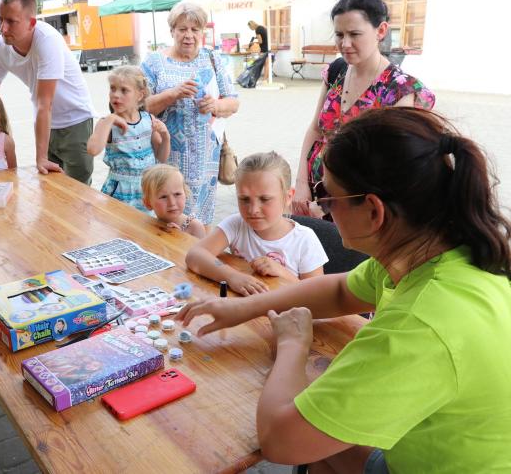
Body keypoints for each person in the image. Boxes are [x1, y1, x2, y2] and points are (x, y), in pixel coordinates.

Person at [177, 107, 511, 473]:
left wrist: (292, 345)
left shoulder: (421, 324)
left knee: (305, 436)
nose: (321, 206)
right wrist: (244, 308)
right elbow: (340, 290)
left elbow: (279, 440)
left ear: (373, 211)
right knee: (321, 444)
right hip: (433, 446)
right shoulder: (430, 252)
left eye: (327, 195)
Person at [292, 0, 435, 216]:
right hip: (313, 197)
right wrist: (301, 183)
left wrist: (333, 206)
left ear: (381, 30)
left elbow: (389, 169)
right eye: (339, 35)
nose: (345, 44)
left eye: (355, 34)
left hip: (358, 211)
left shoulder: (398, 89)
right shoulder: (336, 71)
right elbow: (315, 129)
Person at [0, 0, 96, 184]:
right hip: (45, 124)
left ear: (31, 23)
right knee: (51, 187)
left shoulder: (47, 40)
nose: (3, 28)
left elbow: (44, 103)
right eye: (0, 19)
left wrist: (40, 157)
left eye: (11, 21)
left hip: (75, 120)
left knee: (77, 190)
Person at [142, 2, 239, 225]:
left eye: (195, 29)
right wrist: (172, 94)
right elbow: (139, 107)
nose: (189, 35)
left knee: (201, 219)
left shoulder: (212, 58)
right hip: (167, 154)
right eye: (182, 29)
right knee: (170, 215)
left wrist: (215, 105)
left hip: (206, 156)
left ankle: (199, 245)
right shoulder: (154, 62)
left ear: (202, 32)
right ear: (172, 31)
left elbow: (233, 102)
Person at [185, 152, 327, 296]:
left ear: (288, 197)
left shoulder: (305, 240)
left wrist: (283, 273)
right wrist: (232, 277)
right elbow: (195, 254)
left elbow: (317, 296)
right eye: (244, 199)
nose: (253, 210)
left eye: (265, 199)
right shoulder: (236, 225)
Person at [87, 66, 170, 212]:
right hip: (120, 192)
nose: (116, 95)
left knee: (146, 224)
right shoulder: (107, 123)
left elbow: (161, 157)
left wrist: (165, 136)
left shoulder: (148, 119)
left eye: (124, 90)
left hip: (147, 189)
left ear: (140, 95)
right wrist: (110, 119)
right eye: (113, 89)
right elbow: (93, 150)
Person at [141, 164, 206, 239]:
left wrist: (179, 237)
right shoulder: (150, 224)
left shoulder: (195, 227)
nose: (172, 203)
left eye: (177, 194)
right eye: (163, 197)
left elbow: (203, 247)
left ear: (185, 194)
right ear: (148, 204)